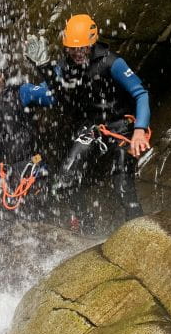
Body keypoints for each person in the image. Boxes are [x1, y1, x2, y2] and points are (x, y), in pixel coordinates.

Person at [25, 14, 152, 231]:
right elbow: (62, 98)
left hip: (120, 124)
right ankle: (86, 227)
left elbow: (141, 94)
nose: (77, 53)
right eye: (72, 49)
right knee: (64, 181)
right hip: (92, 128)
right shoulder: (65, 66)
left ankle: (137, 226)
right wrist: (44, 68)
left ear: (92, 43)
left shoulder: (111, 62)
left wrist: (140, 130)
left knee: (121, 176)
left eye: (82, 48)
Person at [0, 50, 53, 216]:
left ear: (2, 75)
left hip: (32, 168)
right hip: (7, 173)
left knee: (36, 212)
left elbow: (52, 96)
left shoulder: (21, 92)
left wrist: (44, 67)